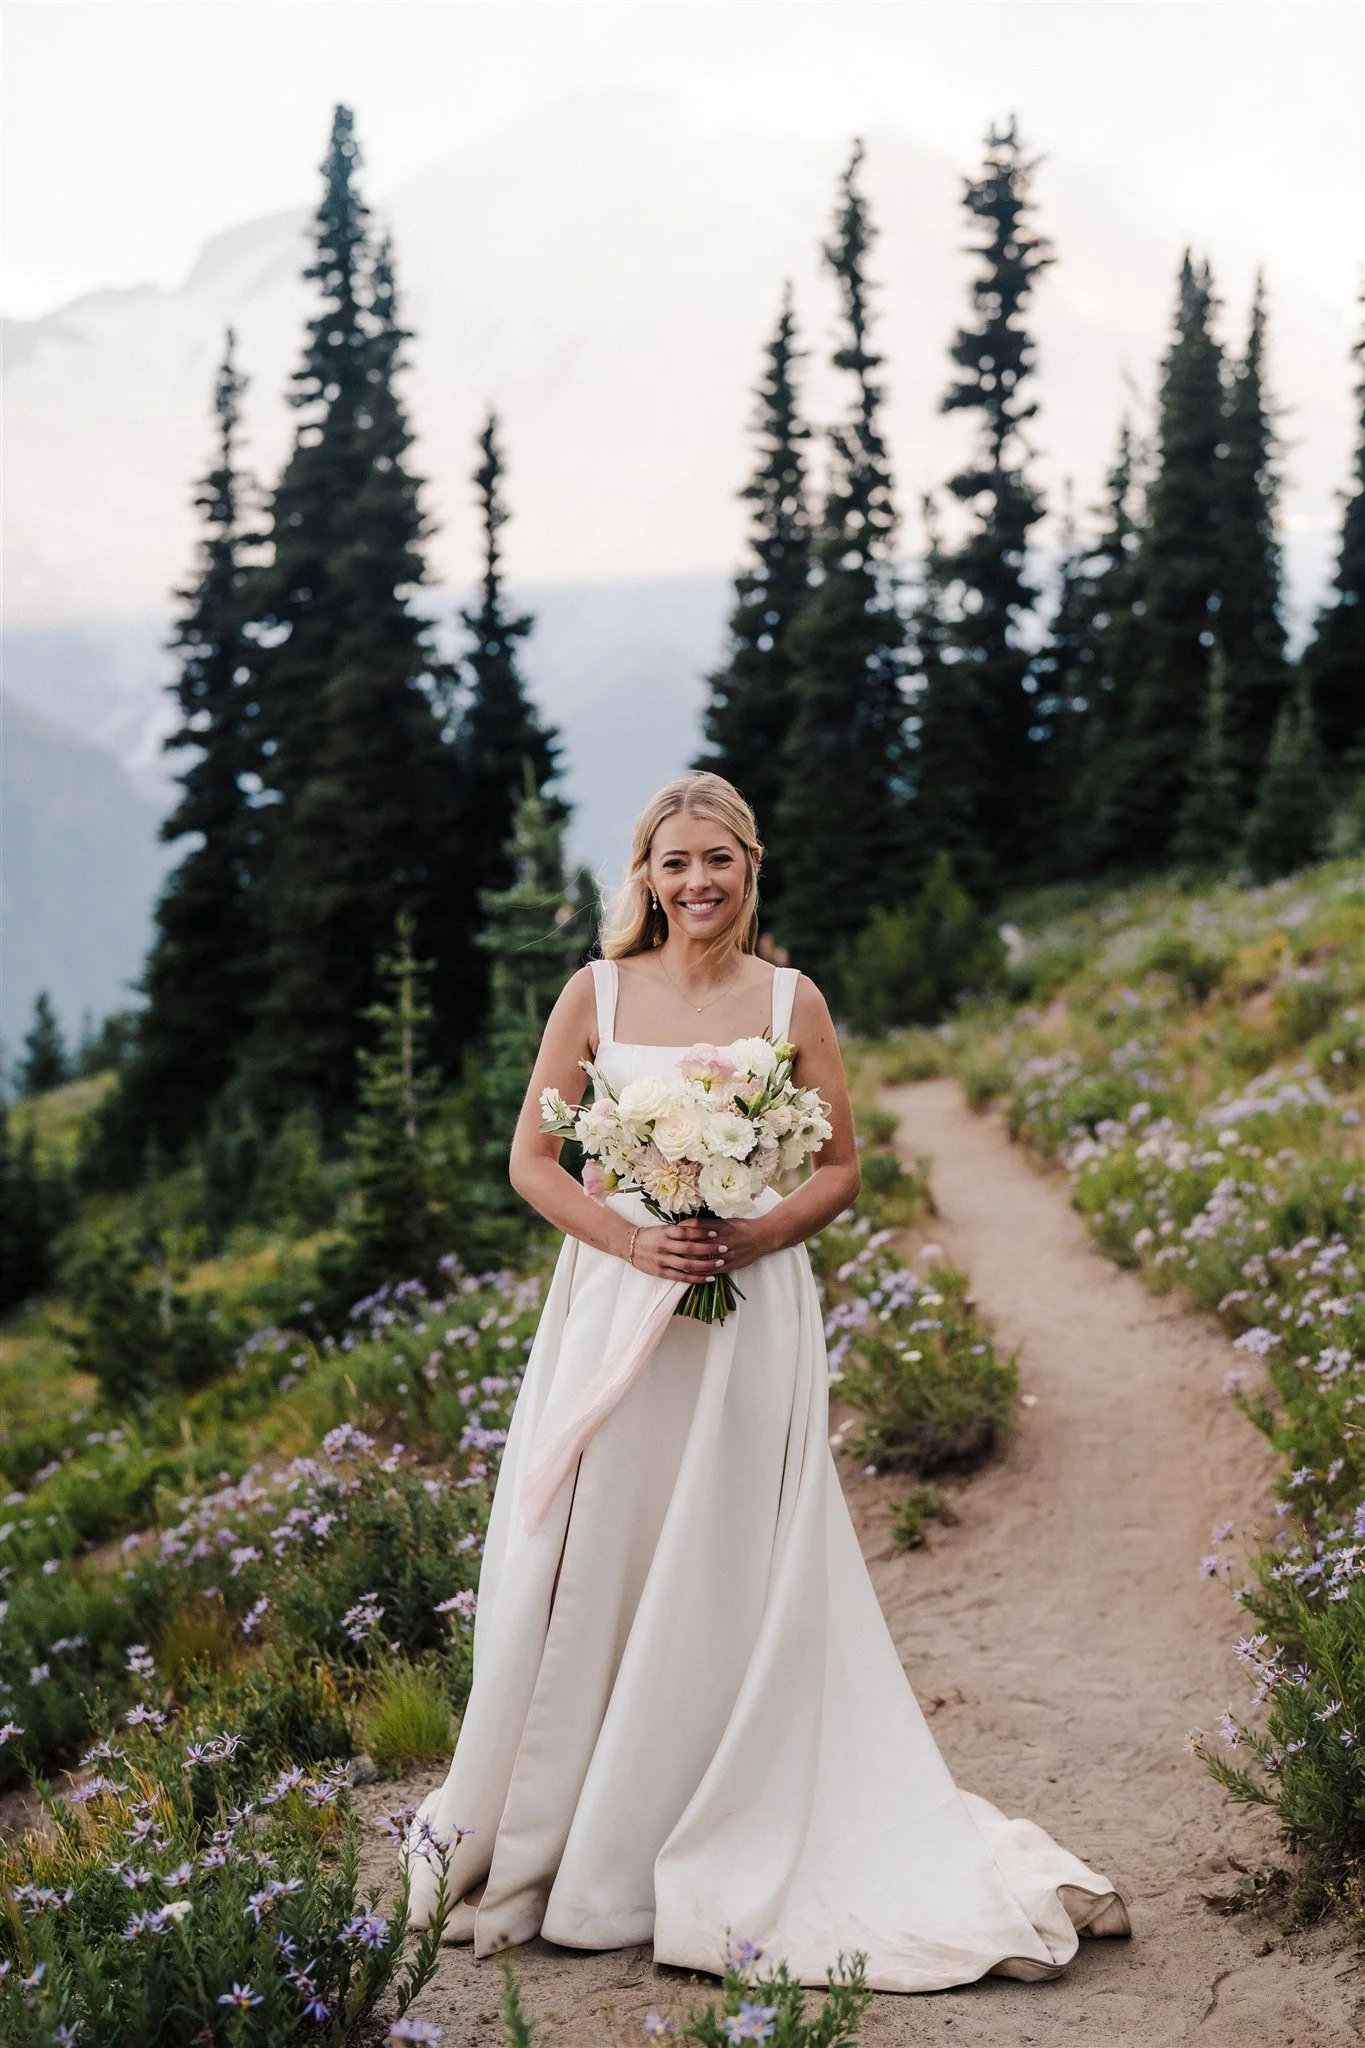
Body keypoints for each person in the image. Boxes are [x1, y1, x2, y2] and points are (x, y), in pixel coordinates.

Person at [402, 771, 1130, 1991]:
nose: (696, 883)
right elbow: (533, 1156)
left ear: (751, 867)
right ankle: (572, 1823)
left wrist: (750, 1232)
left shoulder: (793, 997)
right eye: (673, 862)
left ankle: (711, 1798)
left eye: (717, 860)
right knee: (601, 1544)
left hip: (748, 1310)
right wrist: (634, 1236)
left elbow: (838, 1165)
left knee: (727, 1552)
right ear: (644, 874)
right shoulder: (596, 992)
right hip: (615, 1302)